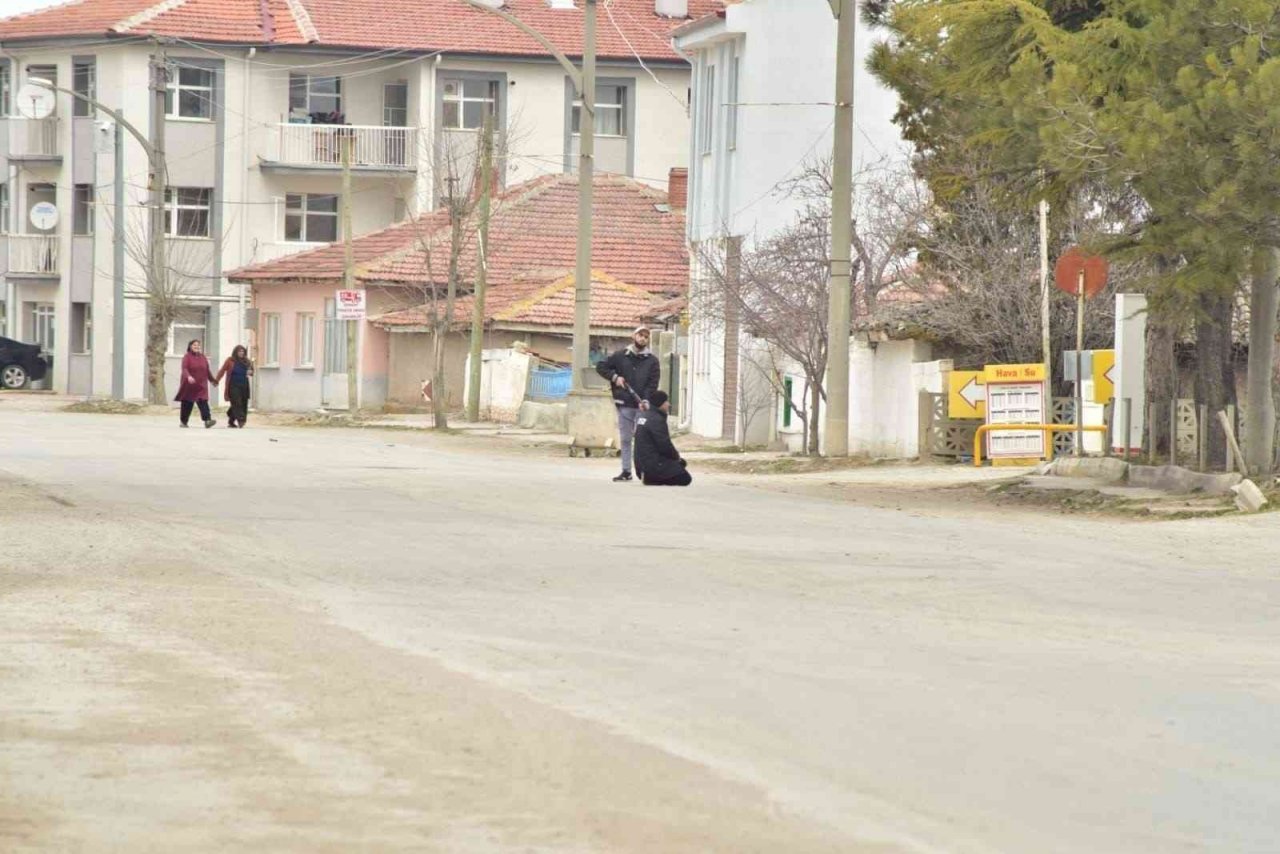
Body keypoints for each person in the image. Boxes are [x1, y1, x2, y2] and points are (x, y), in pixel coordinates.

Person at [595, 326, 660, 482]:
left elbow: (653, 383)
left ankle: (644, 471)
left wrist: (645, 399)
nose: (643, 338)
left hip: (641, 406)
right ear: (634, 336)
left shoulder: (652, 360)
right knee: (625, 439)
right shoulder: (620, 356)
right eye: (640, 335)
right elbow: (601, 366)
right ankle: (626, 471)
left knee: (642, 440)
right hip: (624, 403)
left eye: (646, 336)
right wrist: (615, 377)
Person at [634, 391, 692, 487]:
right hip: (652, 466)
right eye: (666, 402)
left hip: (642, 467)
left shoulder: (644, 416)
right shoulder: (656, 419)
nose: (668, 404)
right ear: (660, 403)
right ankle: (653, 479)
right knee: (685, 478)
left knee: (679, 465)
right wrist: (677, 458)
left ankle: (651, 477)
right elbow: (665, 445)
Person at [174, 340, 218, 429]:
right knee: (187, 404)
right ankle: (184, 421)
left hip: (201, 385)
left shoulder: (203, 357)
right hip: (189, 385)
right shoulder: (187, 357)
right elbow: (184, 369)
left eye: (198, 345)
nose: (197, 346)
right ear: (190, 346)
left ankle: (207, 420)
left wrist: (212, 380)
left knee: (203, 402)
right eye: (194, 345)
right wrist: (188, 377)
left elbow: (207, 370)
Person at [215, 345, 254, 428]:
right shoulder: (230, 360)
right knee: (237, 402)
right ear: (235, 352)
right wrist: (216, 380)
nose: (241, 353)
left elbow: (251, 372)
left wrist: (250, 372)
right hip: (233, 385)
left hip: (244, 385)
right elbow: (222, 370)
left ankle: (231, 420)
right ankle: (241, 420)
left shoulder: (247, 361)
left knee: (243, 403)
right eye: (239, 351)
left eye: (243, 351)